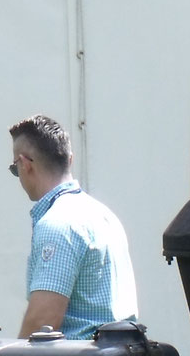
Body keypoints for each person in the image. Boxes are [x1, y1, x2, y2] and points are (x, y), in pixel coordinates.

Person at [9, 114, 138, 338]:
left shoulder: (57, 224)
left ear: (25, 164)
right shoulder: (105, 216)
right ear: (70, 159)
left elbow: (42, 322)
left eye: (14, 168)